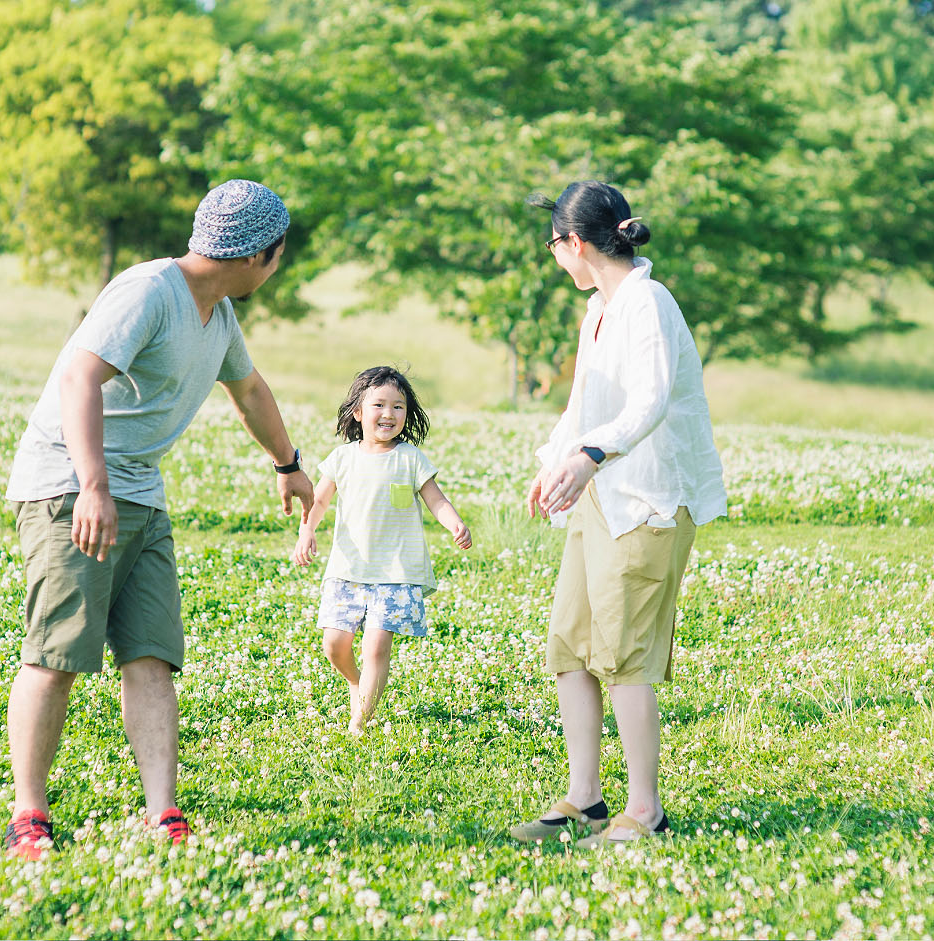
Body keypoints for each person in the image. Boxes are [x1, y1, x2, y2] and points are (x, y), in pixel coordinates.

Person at [1, 179, 314, 860]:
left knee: (151, 654)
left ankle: (161, 810)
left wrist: (288, 462)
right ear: (262, 253)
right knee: (59, 653)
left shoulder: (218, 315)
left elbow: (250, 390)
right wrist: (92, 485)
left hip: (139, 491)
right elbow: (80, 377)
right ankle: (28, 813)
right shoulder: (148, 291)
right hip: (70, 485)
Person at [509, 181, 727, 849]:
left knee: (626, 655)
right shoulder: (598, 310)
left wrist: (592, 455)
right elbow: (584, 405)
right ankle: (585, 799)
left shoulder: (647, 304)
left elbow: (649, 400)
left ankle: (646, 810)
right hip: (600, 492)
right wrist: (556, 459)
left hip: (649, 498)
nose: (554, 257)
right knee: (570, 646)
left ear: (575, 243)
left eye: (554, 245)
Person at [291, 366, 472, 736]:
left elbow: (436, 500)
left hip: (395, 572)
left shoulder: (410, 458)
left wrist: (454, 522)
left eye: (398, 407)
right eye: (379, 405)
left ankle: (361, 719)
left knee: (376, 647)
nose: (389, 414)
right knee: (334, 644)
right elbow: (320, 501)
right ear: (358, 412)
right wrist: (306, 531)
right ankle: (356, 683)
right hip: (348, 568)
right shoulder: (343, 457)